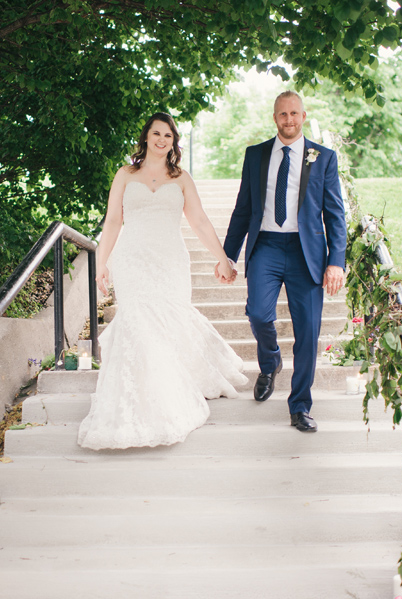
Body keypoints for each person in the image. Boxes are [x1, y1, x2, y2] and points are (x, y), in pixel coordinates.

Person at [77, 113, 248, 450]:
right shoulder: (125, 175)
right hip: (133, 261)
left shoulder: (181, 178)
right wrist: (101, 263)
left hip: (170, 261)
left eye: (168, 135)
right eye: (156, 133)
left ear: (174, 141)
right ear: (146, 138)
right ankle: (142, 396)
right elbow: (112, 222)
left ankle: (167, 389)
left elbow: (198, 221)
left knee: (166, 324)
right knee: (138, 324)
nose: (161, 140)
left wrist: (222, 258)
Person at [221, 91, 347, 433]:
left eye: (294, 113)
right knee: (259, 314)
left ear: (303, 116)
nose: (288, 120)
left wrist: (337, 261)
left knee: (308, 331)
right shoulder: (256, 155)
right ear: (274, 117)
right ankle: (270, 360)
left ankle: (300, 406)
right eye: (282, 114)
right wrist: (227, 255)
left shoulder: (323, 158)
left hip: (307, 252)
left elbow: (336, 215)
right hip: (267, 246)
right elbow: (243, 208)